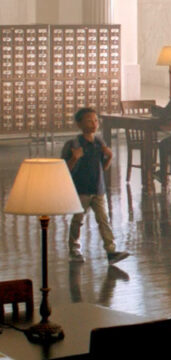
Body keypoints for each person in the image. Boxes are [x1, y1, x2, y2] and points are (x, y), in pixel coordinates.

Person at [61, 107, 129, 264]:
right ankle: (74, 249)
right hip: (81, 189)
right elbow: (64, 170)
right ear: (79, 124)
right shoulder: (73, 144)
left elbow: (102, 168)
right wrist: (75, 158)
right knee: (78, 220)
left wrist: (109, 157)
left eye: (96, 120)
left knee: (103, 220)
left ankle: (111, 251)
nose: (94, 124)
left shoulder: (99, 142)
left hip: (98, 188)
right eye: (89, 121)